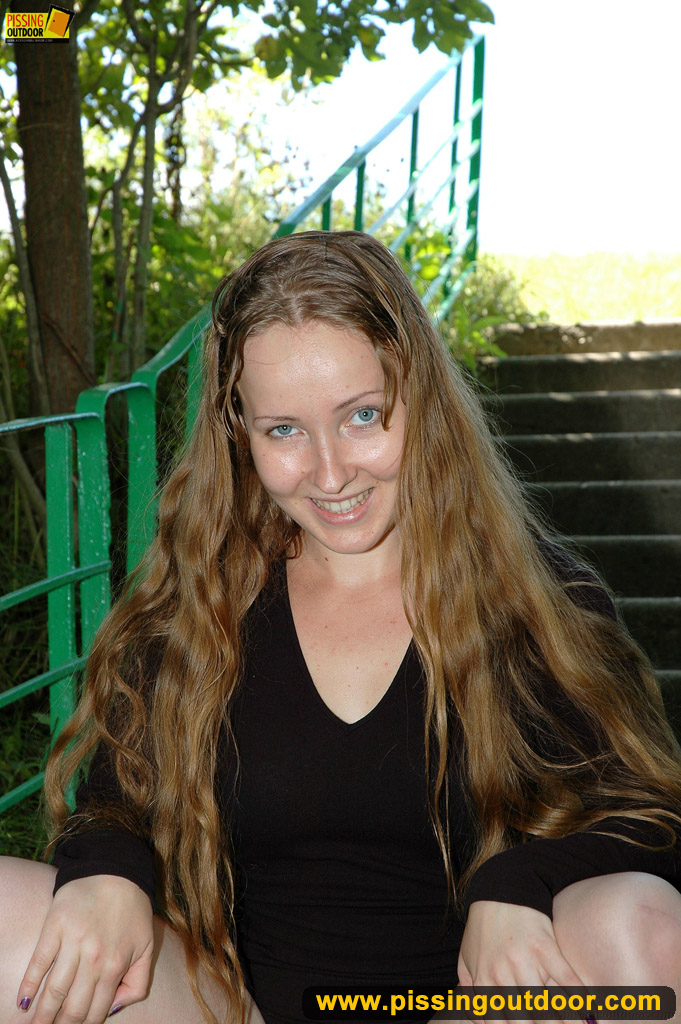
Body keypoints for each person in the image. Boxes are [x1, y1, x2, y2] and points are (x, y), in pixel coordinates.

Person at [1, 230, 681, 1024]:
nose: (329, 473)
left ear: (420, 402)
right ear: (238, 431)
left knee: (633, 917)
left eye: (362, 416)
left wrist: (517, 883)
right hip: (236, 1013)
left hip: (471, 1010)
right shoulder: (196, 606)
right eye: (283, 430)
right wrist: (107, 873)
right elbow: (113, 807)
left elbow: (651, 814)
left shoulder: (538, 602)